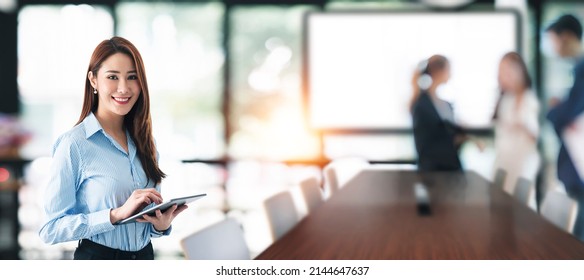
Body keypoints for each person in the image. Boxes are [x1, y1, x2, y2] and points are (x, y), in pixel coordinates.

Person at [39, 37, 187, 259]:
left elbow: (143, 226)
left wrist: (160, 225)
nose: (123, 88)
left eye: (132, 77)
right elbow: (50, 229)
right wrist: (114, 215)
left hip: (145, 256)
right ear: (93, 80)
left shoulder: (147, 142)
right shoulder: (74, 144)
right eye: (112, 77)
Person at [545, 14, 584, 240]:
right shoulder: (577, 70)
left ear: (567, 37)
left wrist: (554, 110)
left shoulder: (582, 70)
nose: (553, 48)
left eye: (554, 40)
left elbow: (568, 113)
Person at [492, 52, 540, 195]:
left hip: (523, 163)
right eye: (501, 72)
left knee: (522, 204)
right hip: (504, 161)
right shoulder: (506, 99)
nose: (504, 76)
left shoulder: (530, 99)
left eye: (507, 71)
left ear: (520, 70)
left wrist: (522, 126)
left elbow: (535, 135)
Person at [410, 55, 465, 172]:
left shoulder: (445, 104)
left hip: (450, 169)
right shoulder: (422, 105)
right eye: (448, 70)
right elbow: (426, 142)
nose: (450, 75)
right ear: (438, 71)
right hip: (434, 172)